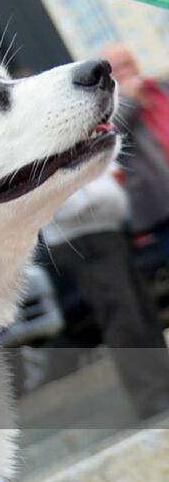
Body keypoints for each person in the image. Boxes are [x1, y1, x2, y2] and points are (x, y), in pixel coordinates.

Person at [42, 165, 169, 419]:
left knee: (141, 313)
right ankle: (153, 397)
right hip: (82, 234)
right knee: (123, 317)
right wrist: (89, 203)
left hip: (104, 227)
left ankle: (161, 389)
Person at [100, 42, 169, 261]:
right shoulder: (109, 108)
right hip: (161, 204)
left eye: (128, 64)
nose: (126, 72)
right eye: (117, 69)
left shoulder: (159, 88)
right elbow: (111, 135)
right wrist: (129, 99)